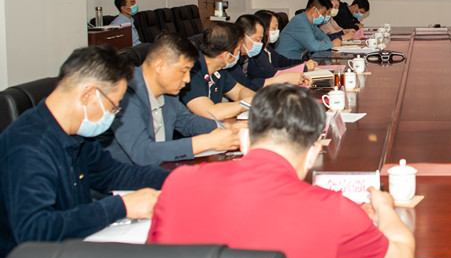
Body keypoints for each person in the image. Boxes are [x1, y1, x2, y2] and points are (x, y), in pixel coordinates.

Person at [148, 84, 416, 258]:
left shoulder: (178, 184)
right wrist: (385, 208)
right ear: (312, 153)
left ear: (245, 139)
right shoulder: (331, 211)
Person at [0, 46, 169, 258]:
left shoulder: (74, 133)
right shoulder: (29, 148)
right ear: (89, 94)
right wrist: (122, 207)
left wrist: (181, 179)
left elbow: (114, 173)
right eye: (114, 106)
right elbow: (35, 231)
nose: (114, 116)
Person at [103, 32, 242, 165]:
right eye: (183, 71)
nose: (187, 79)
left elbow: (187, 121)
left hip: (162, 167)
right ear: (159, 66)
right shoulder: (124, 93)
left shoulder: (168, 92)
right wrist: (206, 142)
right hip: (128, 177)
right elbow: (142, 152)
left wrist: (228, 127)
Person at [179, 22, 255, 120]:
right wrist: (245, 103)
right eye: (238, 51)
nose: (239, 55)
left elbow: (239, 91)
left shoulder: (219, 70)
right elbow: (211, 112)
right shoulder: (191, 72)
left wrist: (254, 99)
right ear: (226, 56)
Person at [230, 14, 308, 91]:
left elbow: (282, 61)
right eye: (257, 40)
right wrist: (282, 78)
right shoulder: (232, 60)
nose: (260, 43)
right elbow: (245, 86)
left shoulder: (246, 56)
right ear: (243, 37)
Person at [250, 10, 317, 75]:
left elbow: (284, 61)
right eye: (274, 28)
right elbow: (272, 73)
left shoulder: (267, 48)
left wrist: (305, 62)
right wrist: (303, 67)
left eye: (277, 27)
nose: (277, 31)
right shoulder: (257, 52)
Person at [275, 0, 342, 60]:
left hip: (299, 58)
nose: (324, 17)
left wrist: (322, 44)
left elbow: (325, 38)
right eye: (323, 14)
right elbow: (314, 46)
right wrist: (332, 44)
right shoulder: (300, 21)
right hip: (286, 61)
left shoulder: (311, 23)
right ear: (314, 10)